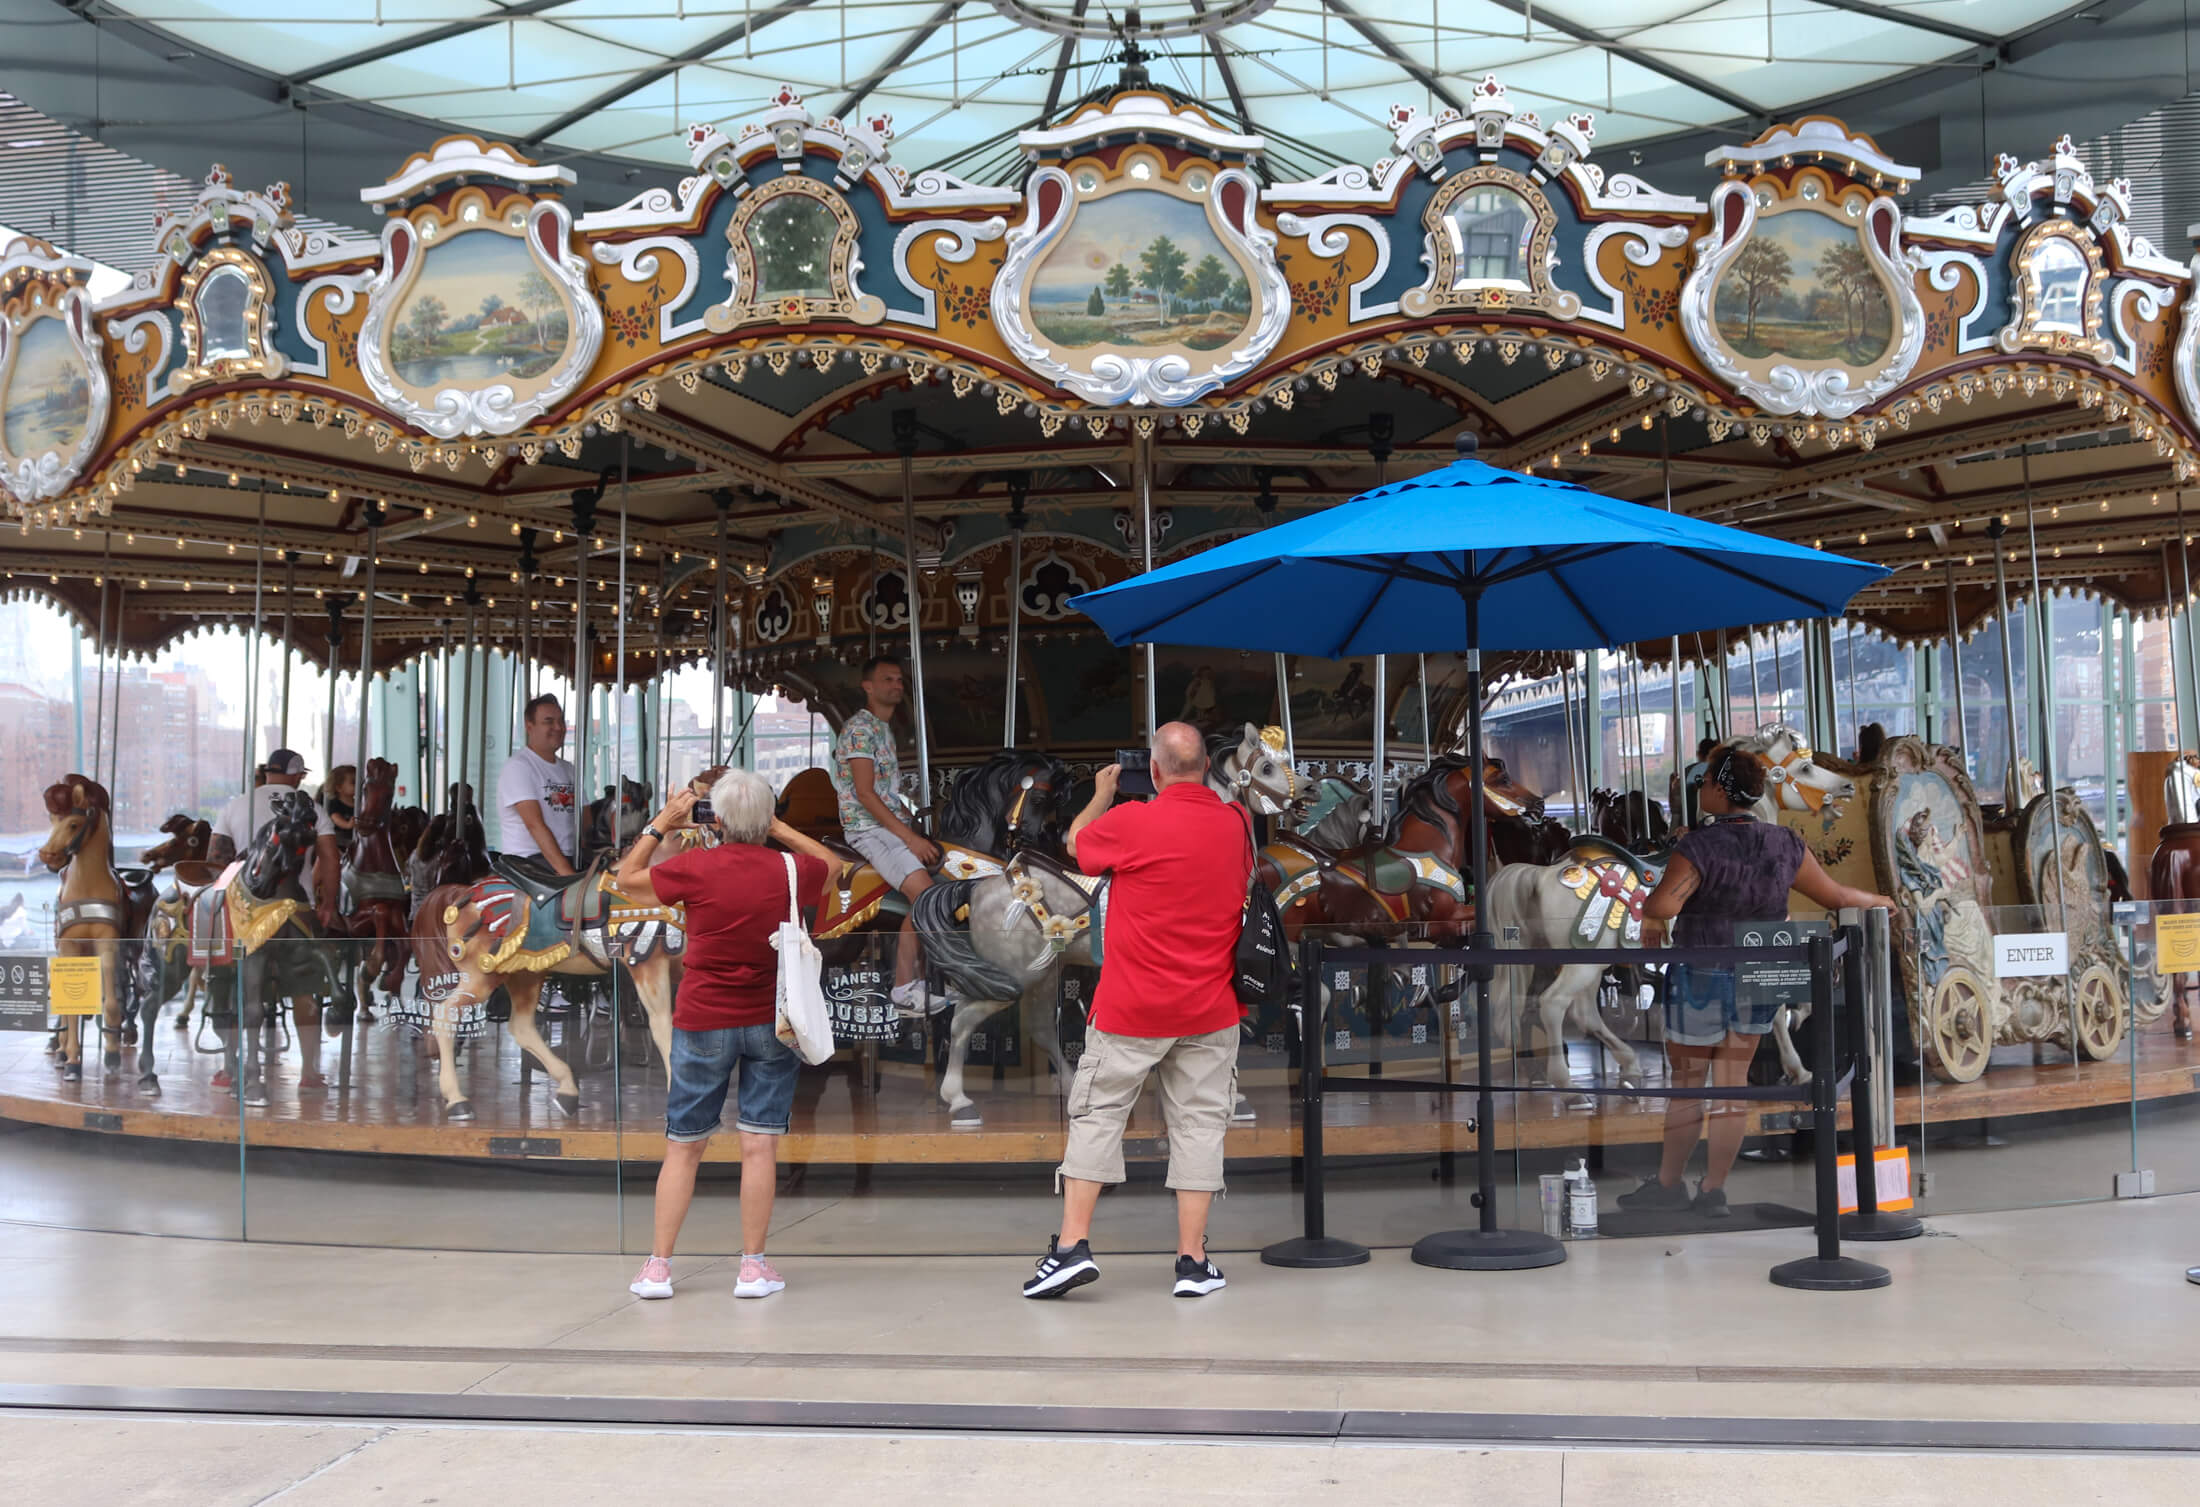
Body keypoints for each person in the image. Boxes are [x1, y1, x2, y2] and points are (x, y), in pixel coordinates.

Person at [1023, 721, 1249, 1301]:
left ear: (1151, 771)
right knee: (1199, 1125)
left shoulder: (1130, 822)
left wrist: (1101, 795)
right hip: (1210, 1007)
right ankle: (1193, 1262)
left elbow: (1077, 844)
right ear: (1206, 767)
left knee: (1099, 1116)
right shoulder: (1236, 824)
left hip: (1132, 1007)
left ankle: (1072, 1249)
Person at [1624, 745, 1893, 1218]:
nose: (1701, 788)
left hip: (1702, 969)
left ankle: (1668, 1186)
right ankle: (1714, 1191)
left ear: (1722, 792)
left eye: (1706, 781)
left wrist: (1650, 912)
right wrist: (1879, 899)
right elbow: (1833, 894)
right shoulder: (1785, 844)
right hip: (1760, 970)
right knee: (1732, 1084)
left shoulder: (1699, 847)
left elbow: (1664, 905)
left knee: (1688, 1085)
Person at [613, 768, 843, 1303]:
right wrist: (778, 828)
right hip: (772, 1021)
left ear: (713, 819)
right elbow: (834, 866)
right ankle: (752, 1268)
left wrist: (660, 823)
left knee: (683, 1148)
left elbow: (627, 878)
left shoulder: (695, 867)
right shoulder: (791, 870)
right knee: (759, 1146)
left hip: (703, 1020)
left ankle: (657, 1268)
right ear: (765, 817)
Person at [207, 749, 343, 1092]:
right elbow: (330, 858)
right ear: (297, 776)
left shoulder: (235, 805)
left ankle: (229, 1065)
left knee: (232, 983)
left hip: (245, 912)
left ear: (266, 773)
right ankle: (309, 1071)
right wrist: (328, 904)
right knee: (305, 988)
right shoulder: (312, 809)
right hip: (296, 908)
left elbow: (216, 862)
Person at [830, 655, 939, 1012]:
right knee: (925, 895)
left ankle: (927, 979)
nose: (897, 685)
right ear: (868, 687)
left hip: (887, 824)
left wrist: (911, 817)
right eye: (888, 679)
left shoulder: (881, 729)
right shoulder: (860, 730)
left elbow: (886, 792)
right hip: (868, 829)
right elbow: (864, 793)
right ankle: (905, 986)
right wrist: (910, 838)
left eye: (899, 679)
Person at [499, 694, 578, 877]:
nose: (558, 728)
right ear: (529, 726)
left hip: (568, 856)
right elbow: (534, 824)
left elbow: (586, 820)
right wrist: (567, 874)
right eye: (548, 722)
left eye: (561, 721)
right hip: (530, 860)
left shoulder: (569, 769)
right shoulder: (518, 767)